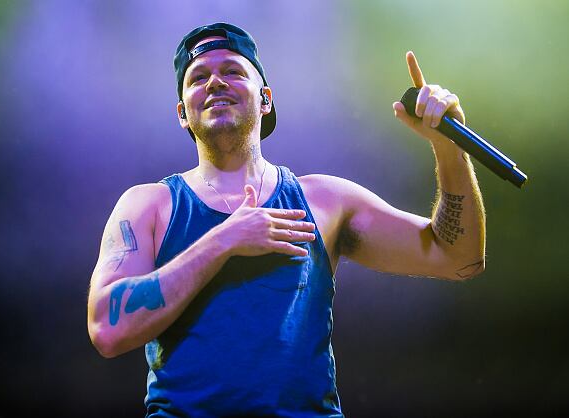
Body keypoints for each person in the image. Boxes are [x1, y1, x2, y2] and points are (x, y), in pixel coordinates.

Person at [87, 22, 486, 417]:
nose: (215, 83)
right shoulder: (149, 206)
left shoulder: (325, 200)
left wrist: (449, 148)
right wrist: (223, 241)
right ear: (182, 114)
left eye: (232, 71)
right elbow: (107, 329)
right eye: (198, 78)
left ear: (265, 99)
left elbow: (459, 258)